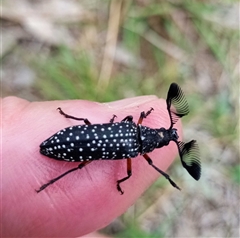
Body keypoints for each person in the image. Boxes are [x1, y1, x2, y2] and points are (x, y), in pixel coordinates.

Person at [1, 95, 182, 237]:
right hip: (66, 144)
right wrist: (120, 182)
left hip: (71, 138)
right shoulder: (133, 150)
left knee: (85, 129)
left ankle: (67, 121)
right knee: (81, 165)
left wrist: (133, 118)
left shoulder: (132, 128)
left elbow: (128, 117)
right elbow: (130, 172)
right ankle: (51, 181)